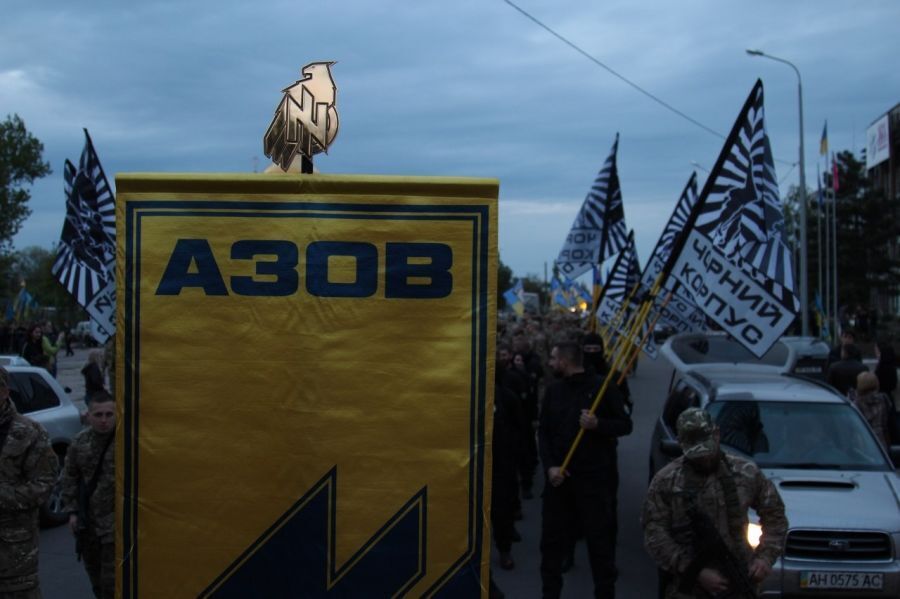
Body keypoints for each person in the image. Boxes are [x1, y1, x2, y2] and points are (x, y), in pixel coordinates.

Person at [643, 408, 787, 598]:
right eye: (696, 453)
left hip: (739, 579)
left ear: (717, 434)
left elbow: (775, 516)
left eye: (707, 449)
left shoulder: (746, 472)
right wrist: (694, 571)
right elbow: (654, 532)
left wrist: (764, 558)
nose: (704, 458)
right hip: (688, 588)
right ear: (682, 444)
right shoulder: (666, 481)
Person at [539, 341, 632, 599]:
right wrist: (550, 467)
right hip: (559, 482)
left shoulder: (603, 388)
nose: (550, 363)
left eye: (553, 359)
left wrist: (598, 424)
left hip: (593, 483)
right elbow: (544, 433)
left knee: (599, 546)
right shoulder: (554, 391)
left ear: (565, 361)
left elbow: (625, 425)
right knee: (551, 546)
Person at [0, 365, 59, 597]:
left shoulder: (29, 432)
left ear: (5, 392)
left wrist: (4, 495)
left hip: (14, 551)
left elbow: (44, 485)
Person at [60, 390, 116, 599]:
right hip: (88, 525)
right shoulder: (79, 442)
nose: (104, 420)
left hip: (116, 526)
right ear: (88, 415)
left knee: (113, 584)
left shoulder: (127, 442)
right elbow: (69, 477)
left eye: (109, 414)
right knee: (96, 581)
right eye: (98, 415)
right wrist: (72, 512)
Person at [848, 372, 892, 448]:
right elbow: (887, 421)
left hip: (863, 441)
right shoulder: (883, 400)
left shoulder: (856, 403)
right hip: (881, 440)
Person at [874, 341, 897, 409]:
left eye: (877, 351)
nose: (875, 353)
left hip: (883, 401)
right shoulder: (892, 366)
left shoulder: (881, 368)